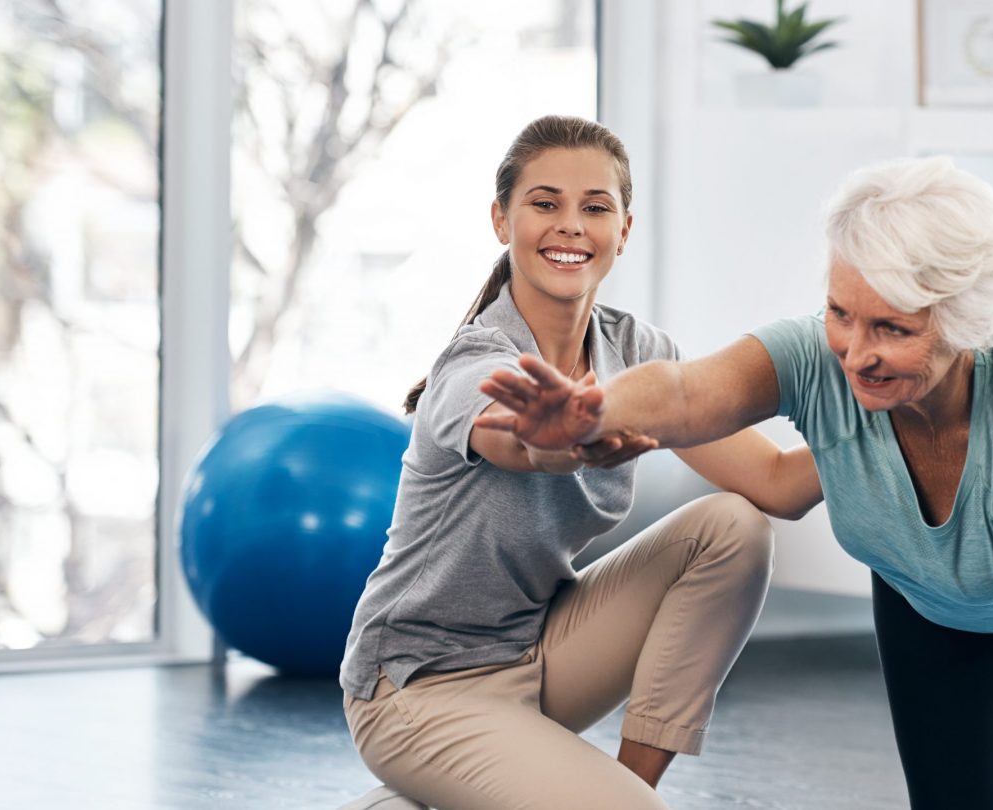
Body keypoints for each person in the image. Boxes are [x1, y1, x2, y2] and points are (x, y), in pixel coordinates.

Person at [477, 156, 993, 810]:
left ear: (968, 323)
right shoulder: (817, 359)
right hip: (930, 591)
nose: (854, 352)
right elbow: (689, 394)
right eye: (841, 312)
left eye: (892, 328)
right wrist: (587, 413)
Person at [337, 115, 823, 810]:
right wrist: (557, 439)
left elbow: (777, 484)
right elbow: (521, 443)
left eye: (595, 208)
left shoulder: (637, 351)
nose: (570, 225)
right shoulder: (474, 362)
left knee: (732, 528)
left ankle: (620, 791)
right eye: (545, 203)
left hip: (538, 654)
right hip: (417, 686)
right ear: (502, 220)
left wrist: (893, 420)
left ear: (623, 230)